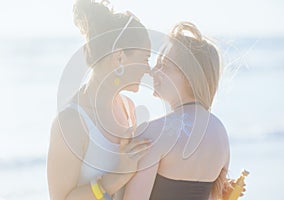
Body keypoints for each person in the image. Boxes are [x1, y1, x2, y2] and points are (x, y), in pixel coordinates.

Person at [47, 0, 151, 199]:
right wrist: (117, 177)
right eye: (145, 59)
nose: (148, 69)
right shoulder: (70, 122)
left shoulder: (128, 109)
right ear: (119, 58)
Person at [123, 22, 230, 200]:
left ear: (189, 77)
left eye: (163, 65)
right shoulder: (221, 133)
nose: (152, 71)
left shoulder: (153, 133)